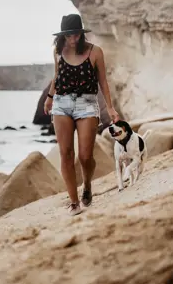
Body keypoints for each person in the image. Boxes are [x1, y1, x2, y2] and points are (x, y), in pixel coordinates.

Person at [43, 14, 119, 215]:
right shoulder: (58, 51)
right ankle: (74, 202)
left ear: (81, 33)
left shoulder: (95, 52)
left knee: (85, 156)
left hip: (87, 104)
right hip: (61, 104)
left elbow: (103, 82)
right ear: (63, 35)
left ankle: (86, 184)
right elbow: (58, 76)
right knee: (66, 154)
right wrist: (50, 97)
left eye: (76, 34)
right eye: (69, 35)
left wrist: (110, 108)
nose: (73, 39)